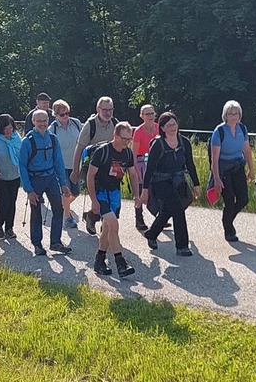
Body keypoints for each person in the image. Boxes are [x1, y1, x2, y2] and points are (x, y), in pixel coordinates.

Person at [141, 111, 200, 256]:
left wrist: (196, 184)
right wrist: (145, 189)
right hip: (161, 181)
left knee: (169, 210)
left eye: (174, 124)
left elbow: (190, 164)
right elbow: (150, 169)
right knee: (178, 209)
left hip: (178, 180)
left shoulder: (184, 142)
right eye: (169, 125)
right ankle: (182, 246)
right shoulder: (158, 144)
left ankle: (152, 233)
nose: (173, 127)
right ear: (162, 128)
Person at [84, 120, 138, 278]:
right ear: (115, 135)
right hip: (101, 192)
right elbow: (90, 175)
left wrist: (137, 195)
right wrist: (94, 200)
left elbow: (133, 174)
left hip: (115, 193)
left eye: (129, 139)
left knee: (107, 228)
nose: (127, 142)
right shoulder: (102, 152)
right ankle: (120, 263)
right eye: (124, 139)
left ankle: (99, 261)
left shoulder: (127, 153)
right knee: (113, 225)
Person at [19, 107, 71, 252]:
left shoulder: (53, 139)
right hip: (35, 180)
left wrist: (63, 184)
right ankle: (37, 244)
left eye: (44, 121)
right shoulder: (27, 141)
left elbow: (58, 162)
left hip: (50, 178)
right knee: (36, 212)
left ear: (48, 121)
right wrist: (28, 190)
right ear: (33, 121)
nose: (42, 124)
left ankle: (55, 242)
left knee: (58, 209)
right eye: (39, 121)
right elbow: (22, 167)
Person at [207, 100, 254, 244]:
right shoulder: (219, 132)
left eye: (236, 113)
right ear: (225, 115)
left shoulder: (243, 129)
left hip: (238, 167)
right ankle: (229, 230)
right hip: (224, 170)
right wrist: (216, 178)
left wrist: (251, 170)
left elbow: (247, 150)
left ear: (240, 115)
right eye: (230, 113)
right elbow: (215, 158)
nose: (233, 116)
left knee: (243, 199)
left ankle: (228, 220)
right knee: (229, 200)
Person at [51, 99, 84, 227]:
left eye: (67, 113)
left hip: (76, 163)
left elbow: (84, 137)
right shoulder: (52, 128)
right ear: (56, 115)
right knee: (67, 192)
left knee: (76, 192)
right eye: (62, 114)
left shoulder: (76, 123)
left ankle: (63, 206)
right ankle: (67, 217)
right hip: (61, 166)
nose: (65, 116)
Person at [131, 103, 160, 234]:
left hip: (157, 162)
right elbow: (134, 154)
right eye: (147, 114)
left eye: (152, 113)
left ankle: (160, 216)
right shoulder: (138, 131)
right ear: (141, 116)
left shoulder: (159, 128)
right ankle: (139, 219)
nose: (150, 116)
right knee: (140, 191)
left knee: (158, 189)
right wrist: (136, 172)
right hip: (141, 161)